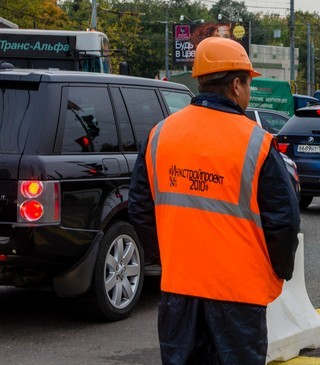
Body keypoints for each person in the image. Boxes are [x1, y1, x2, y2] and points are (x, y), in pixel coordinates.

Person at [128, 36, 300, 364]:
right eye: (248, 84)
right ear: (236, 85)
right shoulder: (256, 143)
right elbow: (284, 221)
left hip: (179, 292)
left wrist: (166, 258)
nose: (248, 92)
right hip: (238, 296)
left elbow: (140, 206)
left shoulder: (161, 134)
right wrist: (277, 273)